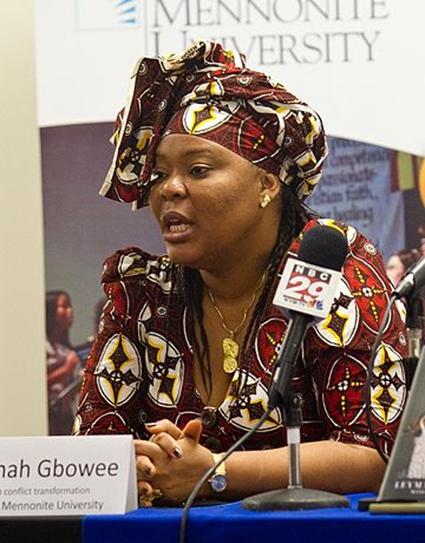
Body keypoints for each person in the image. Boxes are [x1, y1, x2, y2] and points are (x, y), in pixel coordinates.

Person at [74, 41, 407, 506]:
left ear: (267, 184)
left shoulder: (329, 272)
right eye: (161, 174)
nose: (169, 188)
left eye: (199, 169)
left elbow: (377, 452)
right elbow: (93, 452)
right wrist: (141, 466)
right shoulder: (144, 296)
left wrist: (215, 471)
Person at [46, 290, 81, 435]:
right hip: (47, 417)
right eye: (64, 306)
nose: (70, 311)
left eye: (70, 306)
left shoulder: (66, 349)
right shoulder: (41, 346)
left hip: (66, 416)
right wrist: (67, 368)